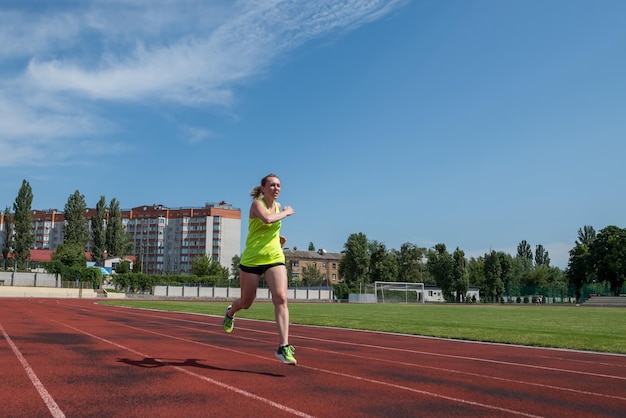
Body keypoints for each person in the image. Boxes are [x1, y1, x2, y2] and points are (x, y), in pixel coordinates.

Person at [222, 173, 297, 364]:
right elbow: (267, 220)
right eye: (272, 185)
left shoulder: (278, 207)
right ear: (263, 188)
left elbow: (271, 227)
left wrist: (279, 239)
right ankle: (231, 312)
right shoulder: (257, 204)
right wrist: (287, 213)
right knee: (247, 302)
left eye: (278, 185)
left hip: (274, 257)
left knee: (281, 298)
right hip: (252, 260)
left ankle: (283, 347)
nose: (276, 188)